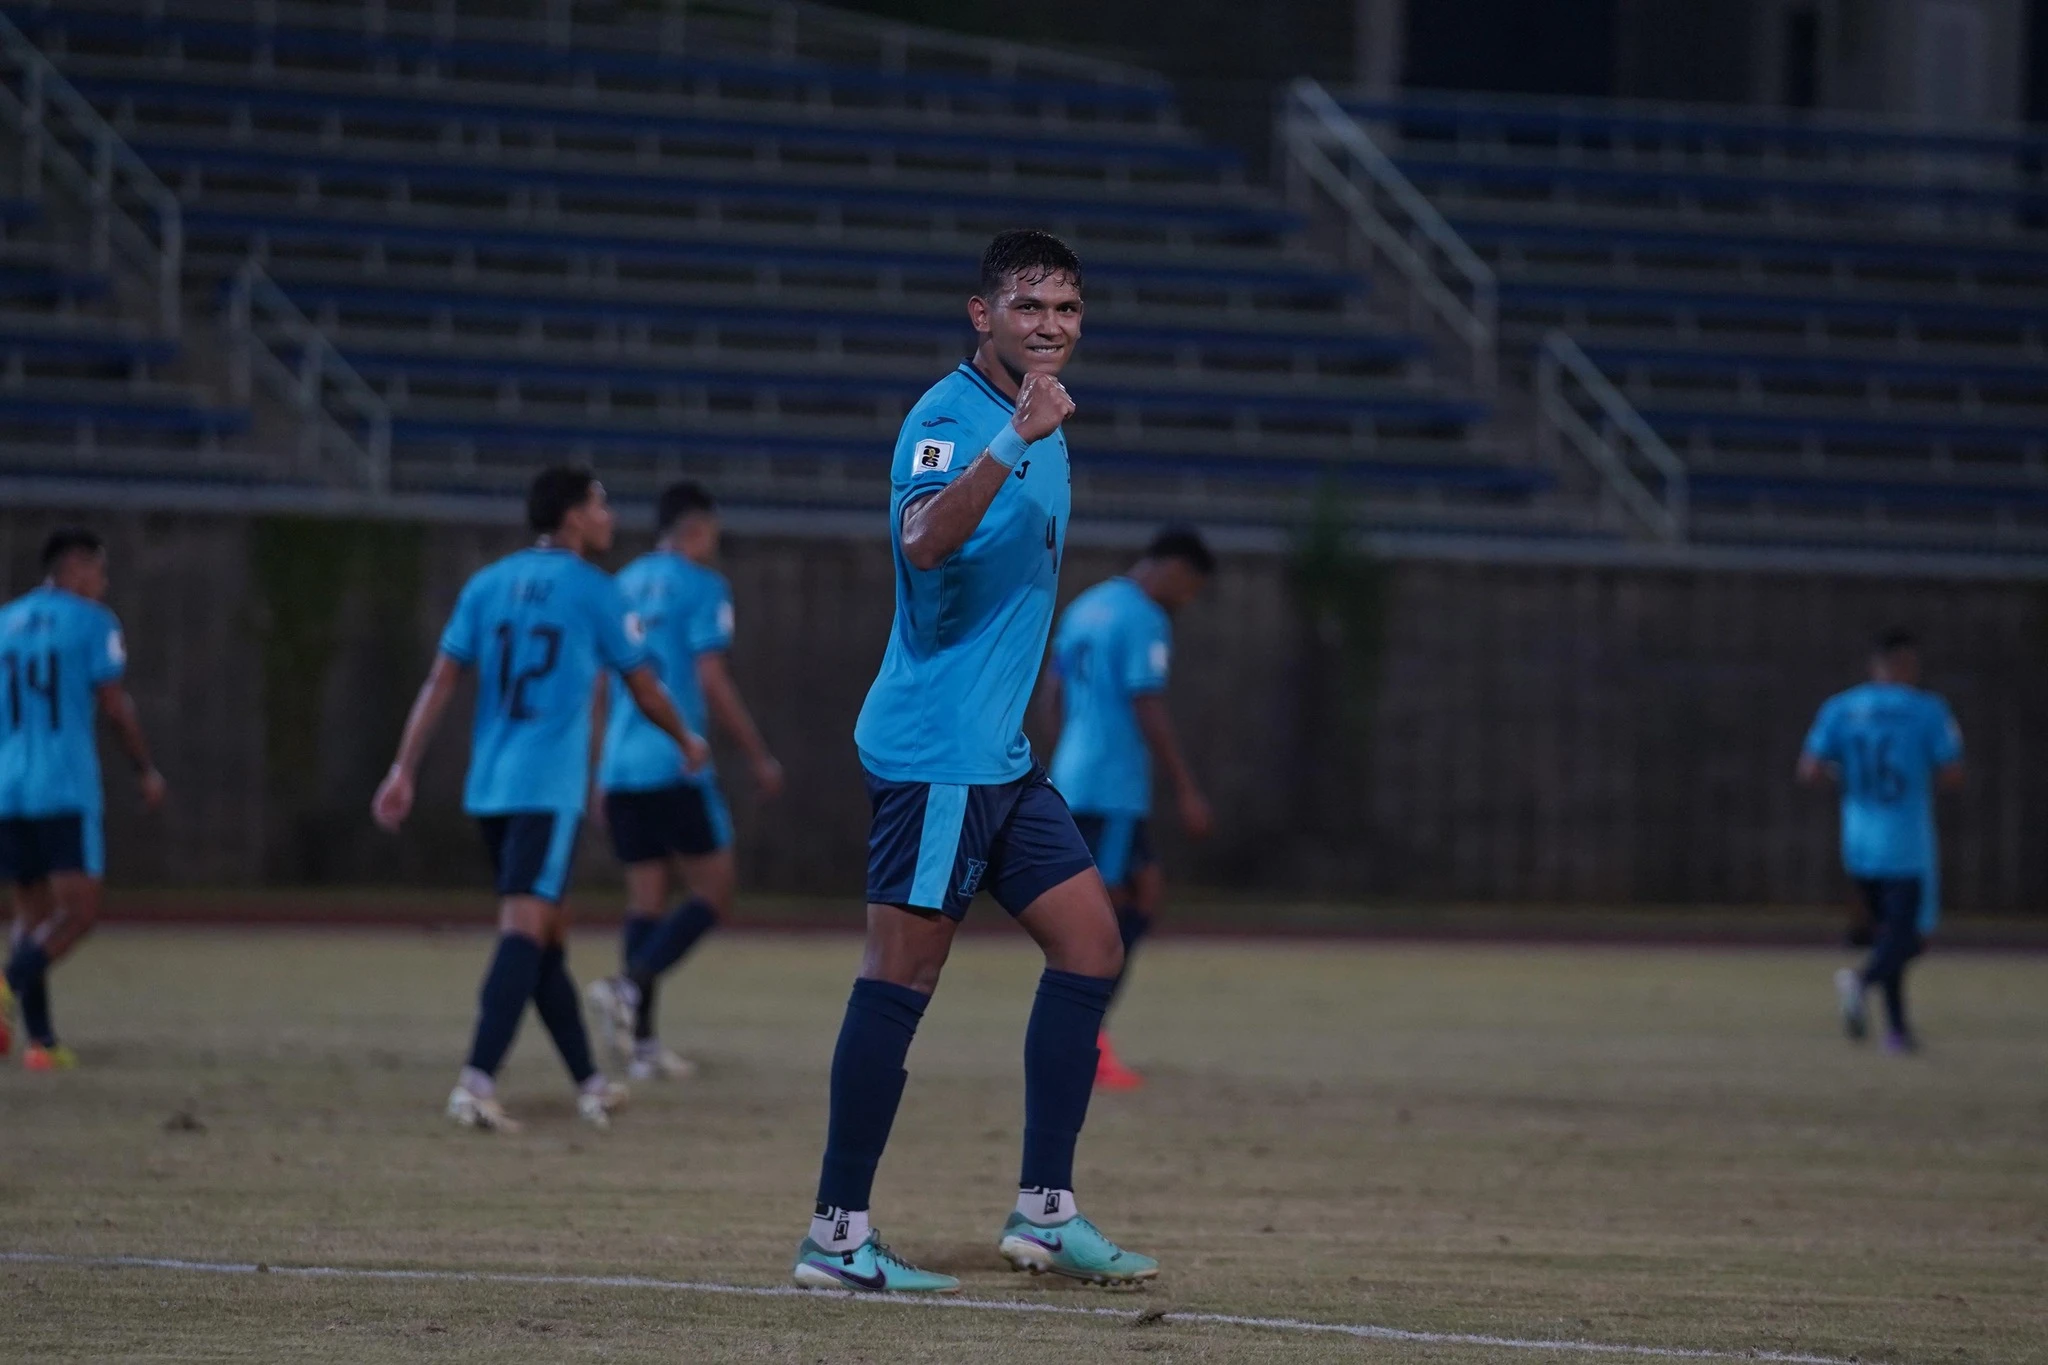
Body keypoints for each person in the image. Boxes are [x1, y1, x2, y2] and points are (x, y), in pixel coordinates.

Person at [791, 229, 1157, 1295]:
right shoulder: (953, 417)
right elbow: (921, 541)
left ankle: (1044, 1214)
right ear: (979, 314)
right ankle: (836, 1234)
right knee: (898, 979)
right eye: (1028, 308)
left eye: (1066, 311)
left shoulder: (1043, 418)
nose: (1049, 329)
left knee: (1091, 947)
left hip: (999, 759)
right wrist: (1011, 438)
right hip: (936, 754)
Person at [371, 466, 708, 1131]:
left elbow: (441, 680)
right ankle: (475, 1080)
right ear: (573, 516)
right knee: (524, 930)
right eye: (600, 502)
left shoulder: (487, 582)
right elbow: (642, 686)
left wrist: (403, 767)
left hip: (490, 785)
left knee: (547, 938)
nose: (610, 515)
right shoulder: (594, 590)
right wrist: (687, 738)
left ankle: (589, 1081)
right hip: (545, 788)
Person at [586, 479, 783, 1082]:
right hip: (675, 758)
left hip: (621, 764)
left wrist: (597, 767)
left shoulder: (620, 585)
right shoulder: (703, 586)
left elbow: (598, 684)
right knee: (714, 891)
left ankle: (641, 1046)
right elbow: (711, 678)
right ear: (698, 529)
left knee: (646, 898)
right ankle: (629, 985)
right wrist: (756, 752)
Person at [1042, 528, 1215, 1091]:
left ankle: (1083, 1030)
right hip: (1112, 785)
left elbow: (1052, 692)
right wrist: (1186, 787)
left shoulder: (1086, 605)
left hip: (1077, 775)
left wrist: (1061, 758)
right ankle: (1084, 1036)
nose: (1187, 600)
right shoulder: (1143, 618)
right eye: (1190, 587)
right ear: (1172, 569)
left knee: (1141, 895)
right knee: (1107, 916)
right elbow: (1148, 703)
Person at [0, 527, 166, 1070]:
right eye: (98, 570)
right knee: (77, 916)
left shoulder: (6, 622)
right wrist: (145, 769)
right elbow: (116, 706)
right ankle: (6, 986)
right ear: (75, 567)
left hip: (9, 785)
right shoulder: (94, 623)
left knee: (31, 916)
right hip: (63, 785)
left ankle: (40, 1045)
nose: (104, 582)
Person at [1798, 629, 1963, 1054]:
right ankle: (1861, 982)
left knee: (1887, 937)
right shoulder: (1927, 709)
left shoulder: (1841, 708)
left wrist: (1851, 777)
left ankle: (1896, 1032)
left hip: (1858, 841)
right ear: (1906, 664)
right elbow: (1951, 772)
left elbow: (1810, 771)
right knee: (1910, 940)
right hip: (1906, 844)